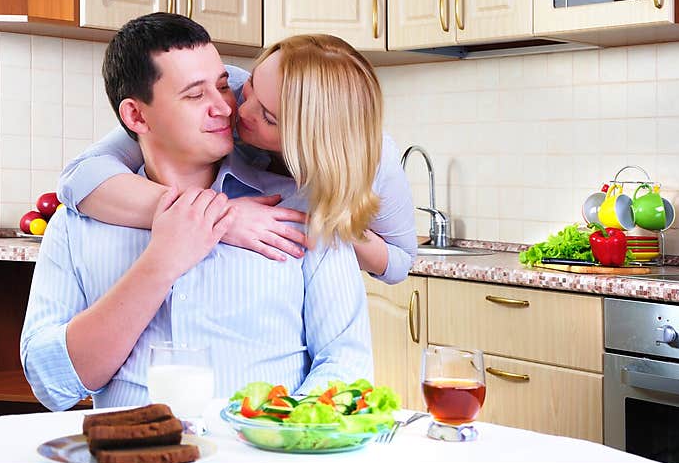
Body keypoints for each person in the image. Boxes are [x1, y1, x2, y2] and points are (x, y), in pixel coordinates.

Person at [20, 13, 372, 411]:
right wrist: (162, 261)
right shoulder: (76, 224)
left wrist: (275, 436)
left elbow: (348, 366)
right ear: (136, 116)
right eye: (194, 95)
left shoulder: (304, 212)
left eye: (223, 85)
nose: (224, 108)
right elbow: (53, 384)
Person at [57, 36, 417, 284]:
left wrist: (335, 224)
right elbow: (80, 177)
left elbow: (399, 262)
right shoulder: (223, 93)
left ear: (312, 144)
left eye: (270, 118)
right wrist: (218, 218)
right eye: (250, 88)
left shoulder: (374, 161)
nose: (239, 110)